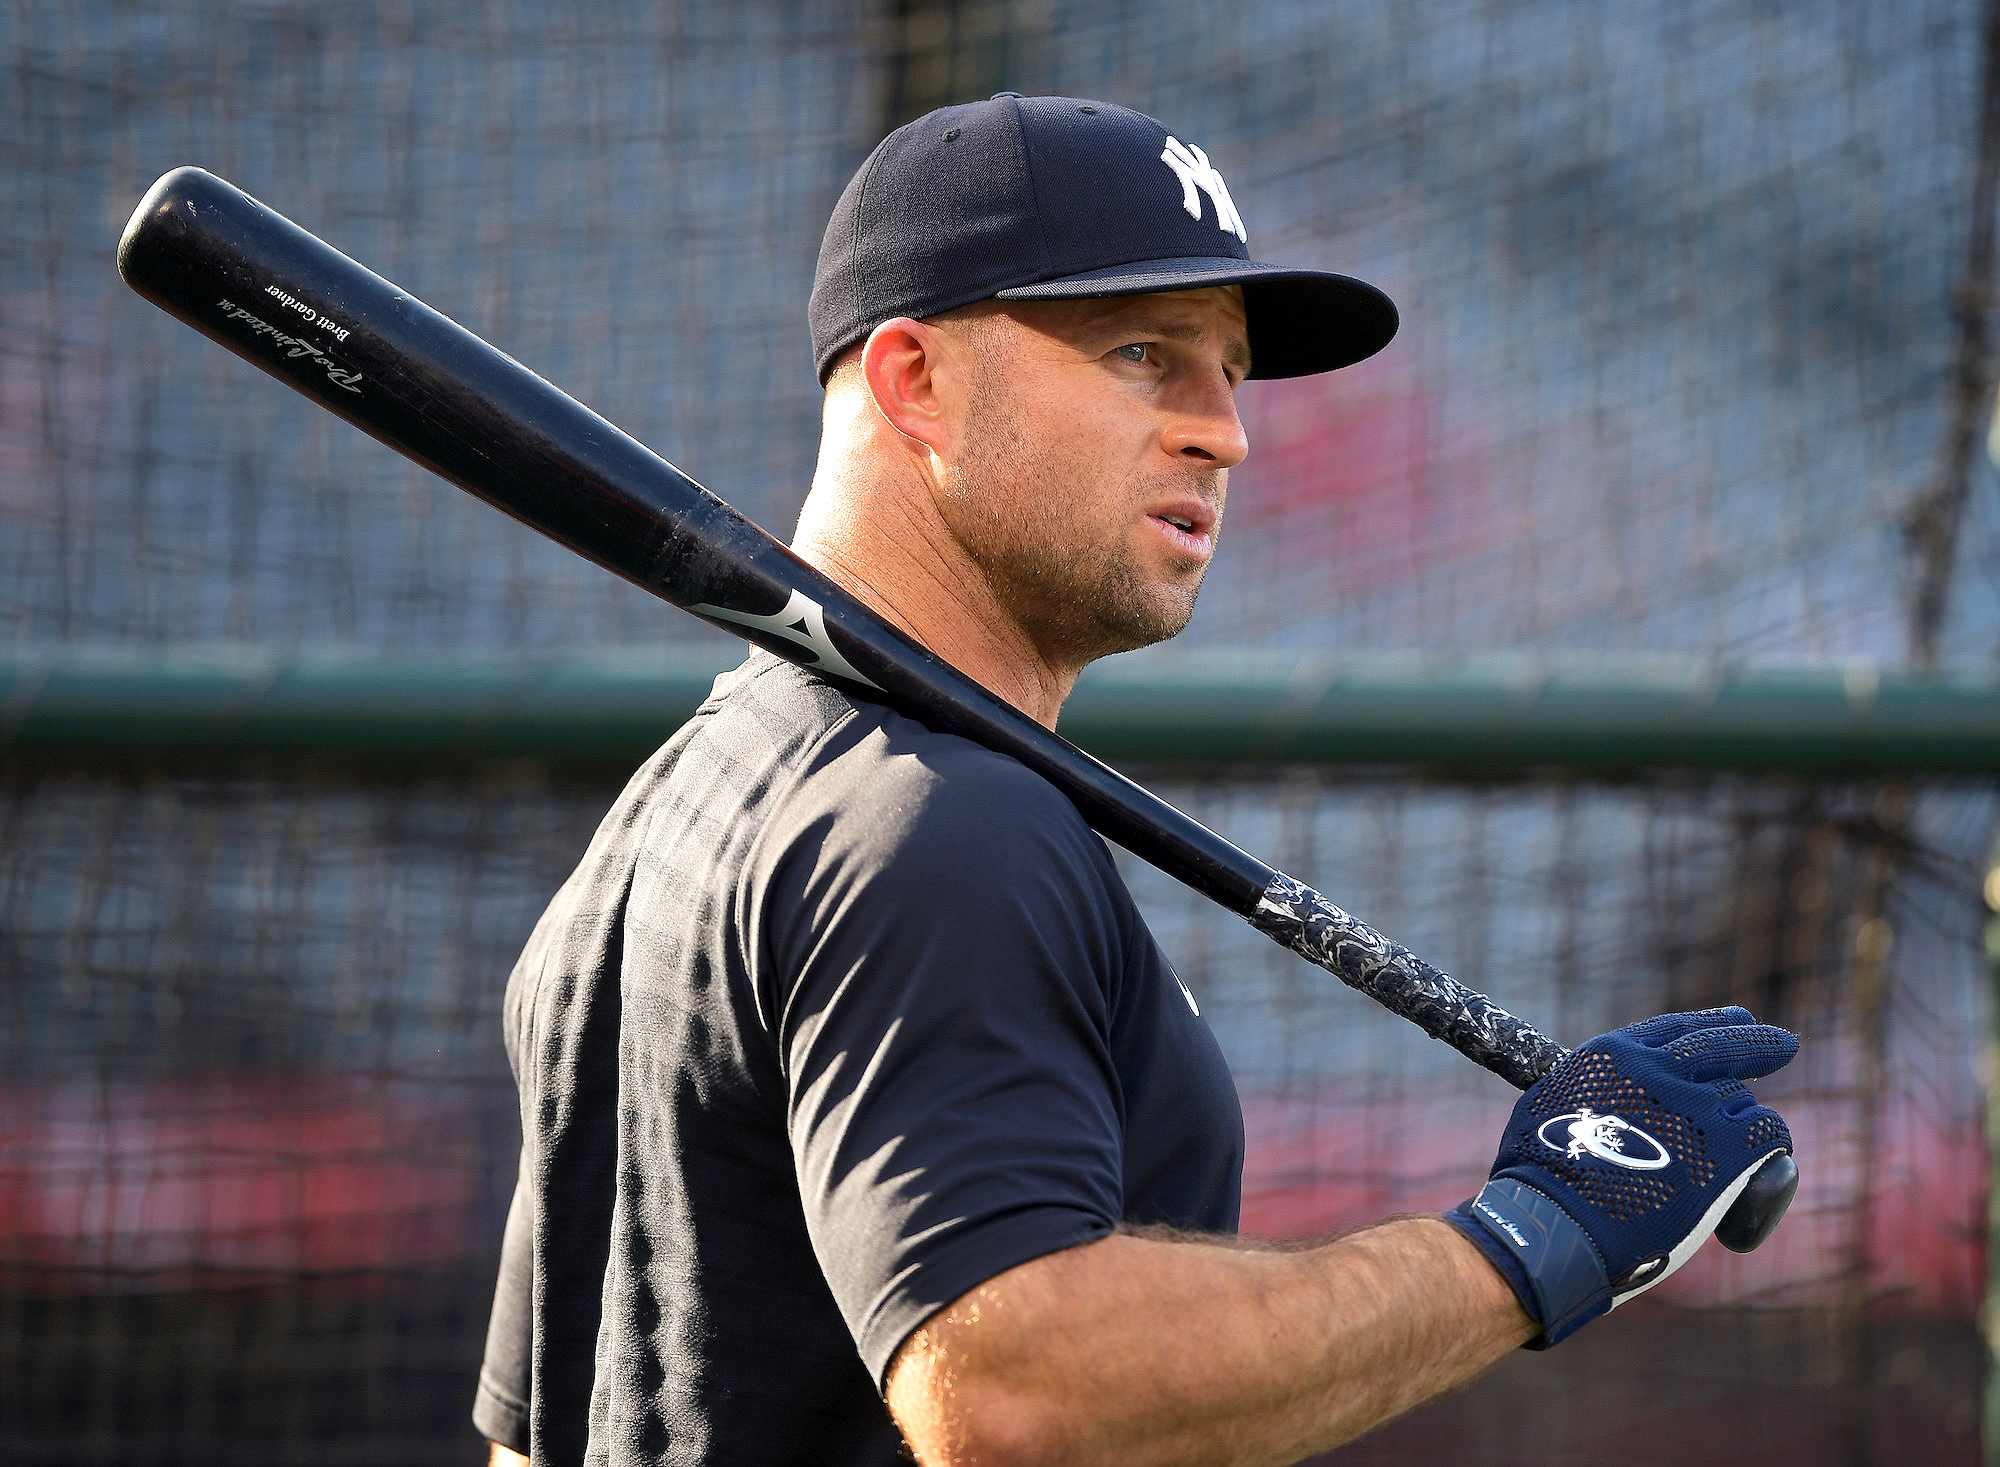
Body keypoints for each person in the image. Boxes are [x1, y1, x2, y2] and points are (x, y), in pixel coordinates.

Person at [473, 94, 1797, 1467]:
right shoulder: (940, 826)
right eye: (1143, 352)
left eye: (1230, 371)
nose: (1224, 433)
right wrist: (1528, 1246)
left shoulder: (678, 808)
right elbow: (1014, 1392)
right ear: (914, 380)